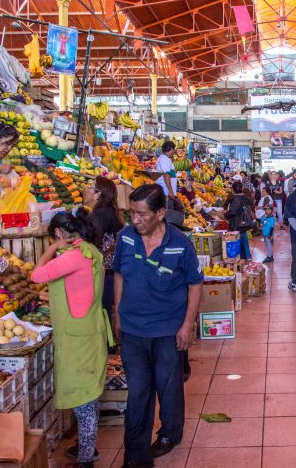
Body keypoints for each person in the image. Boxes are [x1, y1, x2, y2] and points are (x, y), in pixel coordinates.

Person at [112, 184, 203, 468]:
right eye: (131, 214)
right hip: (133, 330)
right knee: (138, 392)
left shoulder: (180, 243)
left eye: (141, 214)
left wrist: (187, 324)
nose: (135, 220)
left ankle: (170, 434)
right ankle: (136, 456)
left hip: (167, 330)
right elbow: (119, 275)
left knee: (168, 387)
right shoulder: (126, 238)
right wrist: (118, 313)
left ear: (161, 213)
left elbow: (195, 283)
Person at [30, 210, 113, 467]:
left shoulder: (73, 256)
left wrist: (53, 247)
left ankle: (86, 458)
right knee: (88, 395)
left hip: (79, 337)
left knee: (84, 397)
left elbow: (36, 275)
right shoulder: (90, 250)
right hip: (88, 329)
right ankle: (87, 448)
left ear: (58, 233)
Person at [87, 176, 124, 321]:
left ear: (98, 194)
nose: (86, 189)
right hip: (110, 271)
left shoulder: (100, 214)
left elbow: (93, 242)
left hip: (104, 272)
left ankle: (106, 343)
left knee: (102, 311)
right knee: (106, 309)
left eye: (90, 187)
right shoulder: (107, 211)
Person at [224, 181, 255, 260]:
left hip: (236, 225)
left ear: (233, 190)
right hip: (244, 224)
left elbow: (233, 212)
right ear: (243, 188)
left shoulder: (236, 199)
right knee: (244, 241)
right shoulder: (246, 198)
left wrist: (224, 215)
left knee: (237, 243)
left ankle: (237, 260)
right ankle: (246, 257)